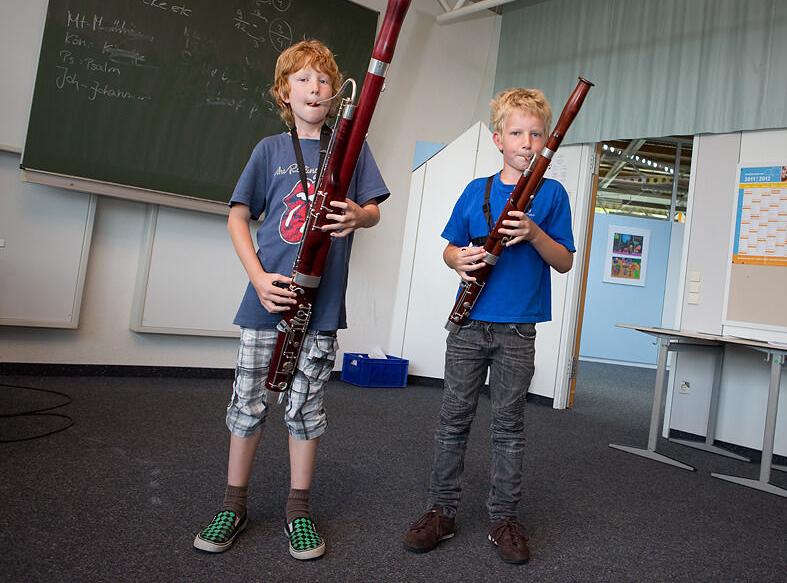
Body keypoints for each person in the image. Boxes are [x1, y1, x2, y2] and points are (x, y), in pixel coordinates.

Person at [193, 39, 389, 560]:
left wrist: (359, 216)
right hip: (268, 300)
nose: (316, 87)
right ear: (284, 92)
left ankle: (298, 509)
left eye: (324, 79)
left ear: (334, 94)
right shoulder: (269, 150)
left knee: (306, 406)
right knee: (248, 402)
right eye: (302, 78)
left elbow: (372, 210)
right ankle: (233, 504)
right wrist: (258, 278)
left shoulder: (353, 150)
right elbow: (238, 216)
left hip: (319, 308)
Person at [401, 88, 575, 565]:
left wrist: (534, 233)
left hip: (518, 329)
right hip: (469, 324)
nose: (527, 141)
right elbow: (449, 249)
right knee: (453, 419)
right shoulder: (476, 191)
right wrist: (459, 258)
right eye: (516, 132)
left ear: (545, 140)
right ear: (498, 138)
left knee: (508, 426)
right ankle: (442, 510)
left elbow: (562, 262)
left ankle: (503, 518)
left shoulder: (553, 194)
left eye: (536, 133)